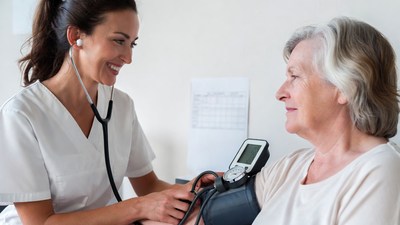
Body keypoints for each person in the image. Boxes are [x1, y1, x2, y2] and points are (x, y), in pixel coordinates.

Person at [0, 0, 212, 224]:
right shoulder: (22, 114)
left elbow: (149, 186)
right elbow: (41, 222)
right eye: (119, 41)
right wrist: (138, 207)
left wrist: (194, 189)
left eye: (132, 44)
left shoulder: (121, 105)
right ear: (75, 37)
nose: (128, 58)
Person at [252, 17, 400, 224]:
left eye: (294, 76)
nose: (280, 93)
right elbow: (205, 211)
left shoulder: (380, 171)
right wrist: (193, 191)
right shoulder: (291, 166)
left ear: (346, 87)